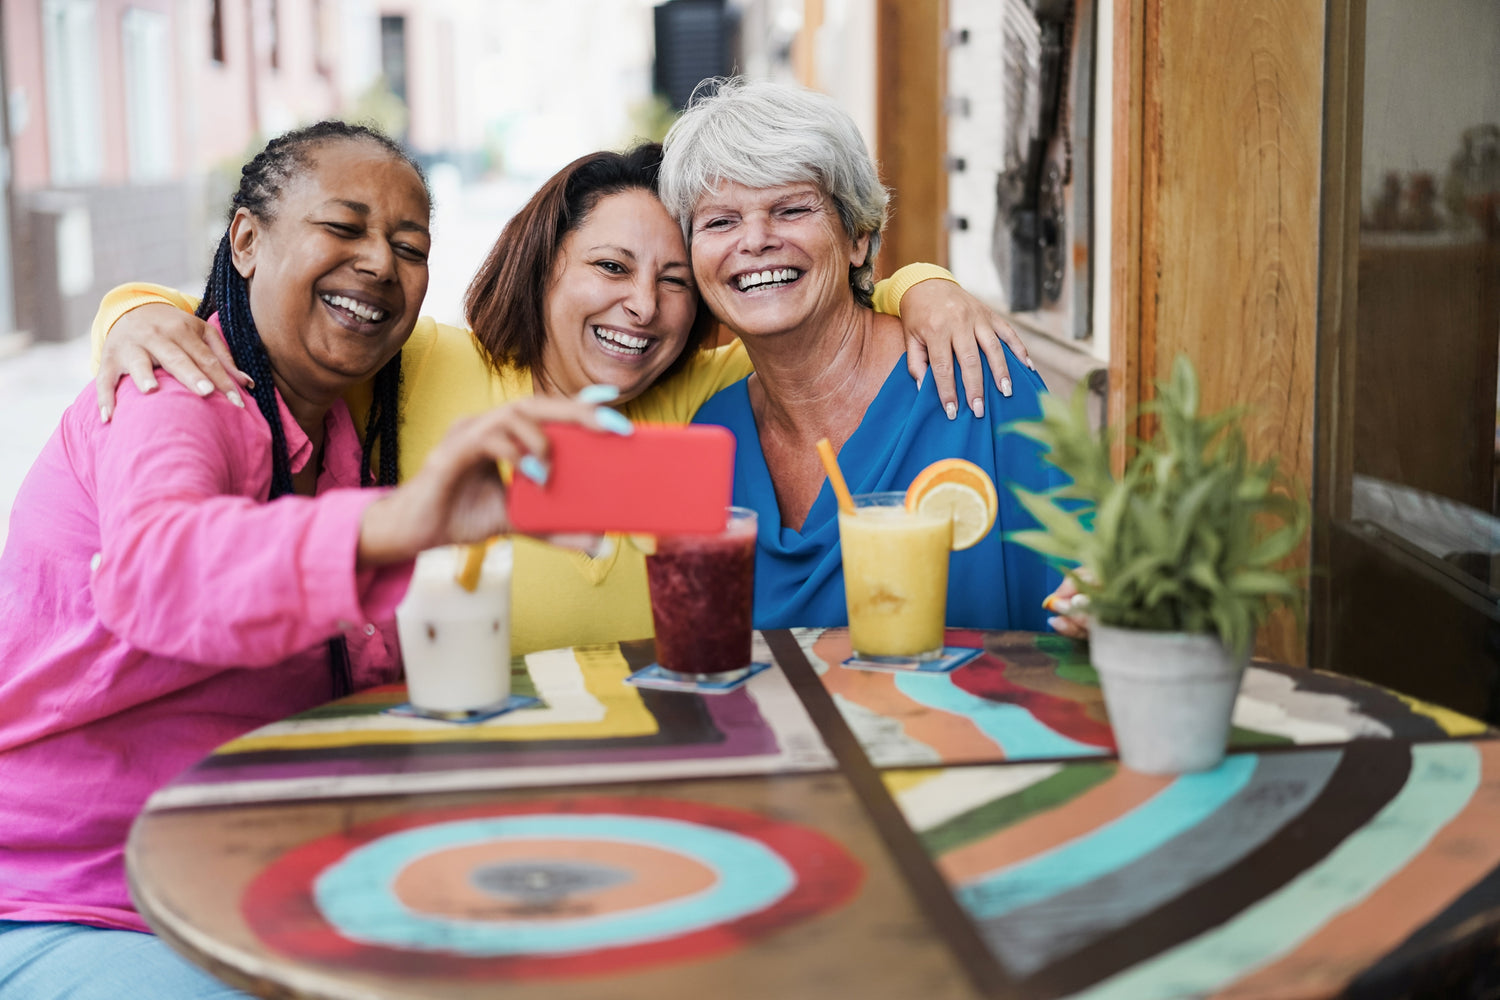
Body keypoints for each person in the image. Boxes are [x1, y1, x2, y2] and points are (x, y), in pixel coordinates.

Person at [0, 121, 623, 999]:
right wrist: (403, 520)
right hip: (77, 894)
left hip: (253, 871)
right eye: (344, 227)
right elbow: (161, 569)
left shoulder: (346, 427)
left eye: (410, 247)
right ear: (247, 242)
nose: (380, 263)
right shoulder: (174, 392)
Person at [92, 144, 1036, 654]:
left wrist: (921, 286)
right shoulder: (426, 367)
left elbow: (812, 320)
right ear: (542, 267)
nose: (643, 304)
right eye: (611, 267)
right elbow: (294, 313)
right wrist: (136, 310)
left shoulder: (703, 399)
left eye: (675, 278)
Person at [659, 78, 1063, 629]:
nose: (754, 240)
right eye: (720, 221)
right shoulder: (711, 438)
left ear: (858, 238)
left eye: (790, 209)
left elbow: (1088, 614)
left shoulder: (981, 379)